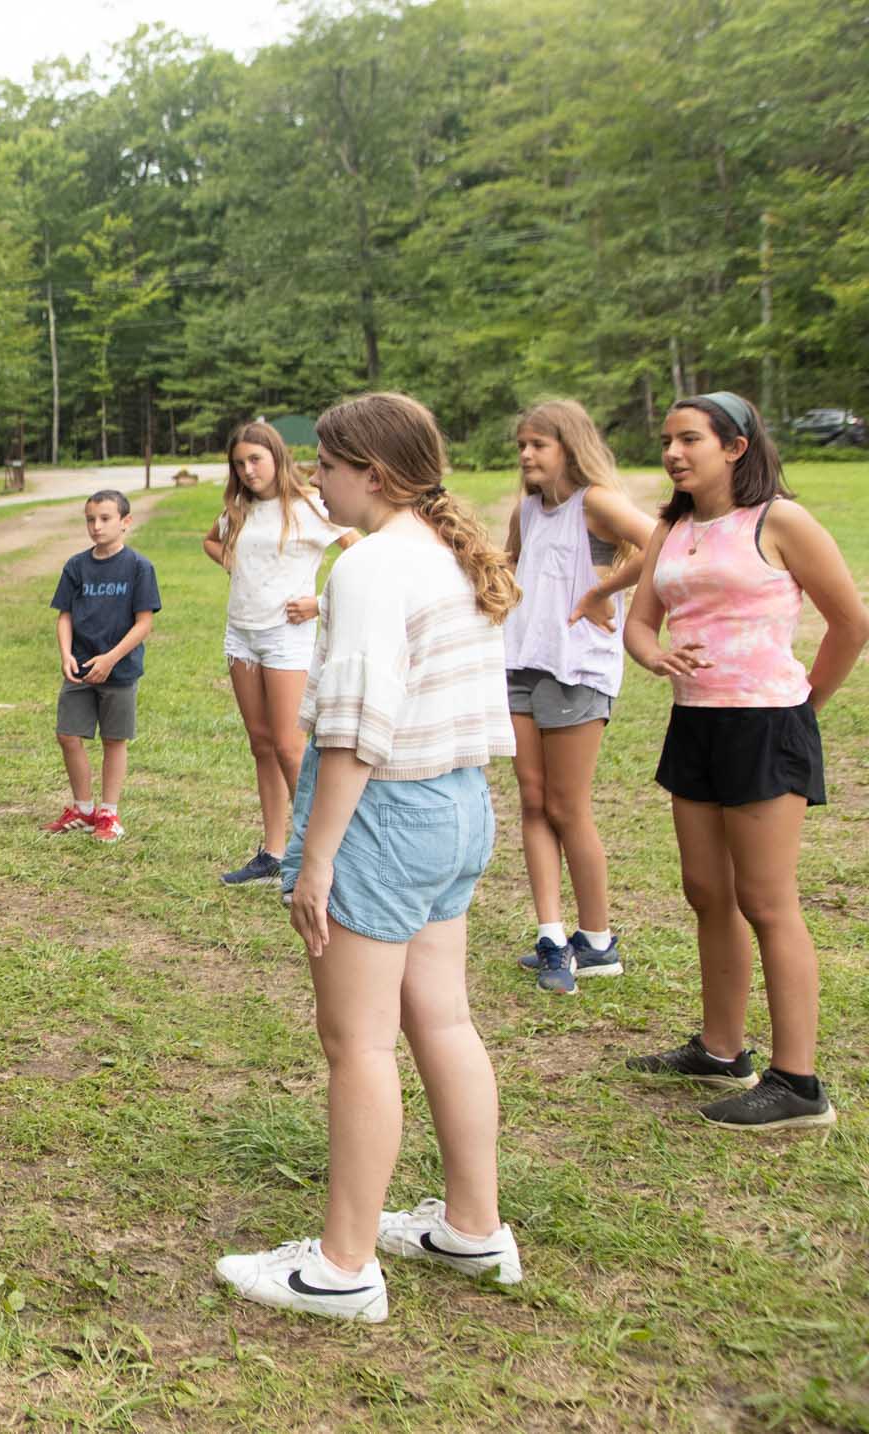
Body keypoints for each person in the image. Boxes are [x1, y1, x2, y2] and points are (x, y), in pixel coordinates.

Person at [215, 392, 522, 1323]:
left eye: (330, 465)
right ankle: (474, 1227)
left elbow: (351, 731)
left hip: (388, 815)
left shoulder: (371, 567)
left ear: (374, 475)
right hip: (460, 806)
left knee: (357, 1043)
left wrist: (314, 860)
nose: (317, 478)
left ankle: (341, 1267)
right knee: (444, 1020)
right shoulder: (440, 552)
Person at [618, 392, 864, 1130]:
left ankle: (798, 1084)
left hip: (767, 726)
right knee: (706, 891)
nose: (672, 452)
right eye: (667, 440)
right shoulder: (673, 525)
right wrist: (655, 654)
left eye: (689, 439)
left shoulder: (779, 521)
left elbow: (851, 622)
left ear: (736, 446)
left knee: (767, 900)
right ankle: (723, 1049)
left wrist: (802, 709)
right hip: (695, 724)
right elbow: (638, 623)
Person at [500, 401, 655, 994]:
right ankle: (550, 934)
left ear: (569, 445)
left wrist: (603, 592)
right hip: (519, 664)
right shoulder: (528, 511)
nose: (526, 455)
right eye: (522, 444)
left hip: (575, 669)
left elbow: (654, 541)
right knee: (533, 800)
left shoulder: (593, 503)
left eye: (538, 444)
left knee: (568, 807)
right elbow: (511, 563)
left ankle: (597, 942)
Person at [203, 423, 356, 883]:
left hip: (285, 637)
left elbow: (358, 554)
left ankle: (315, 856)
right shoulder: (240, 508)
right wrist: (237, 564)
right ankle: (273, 852)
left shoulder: (309, 505)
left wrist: (320, 603)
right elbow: (211, 540)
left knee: (291, 747)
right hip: (242, 635)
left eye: (255, 460)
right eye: (239, 463)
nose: (248, 471)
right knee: (262, 744)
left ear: (277, 456)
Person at [43, 491, 159, 843]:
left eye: (105, 519)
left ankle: (108, 813)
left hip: (118, 671)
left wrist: (112, 658)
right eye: (90, 519)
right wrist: (66, 654)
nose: (96, 526)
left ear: (126, 522)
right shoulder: (76, 566)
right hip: (80, 666)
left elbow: (144, 623)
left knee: (113, 740)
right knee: (67, 734)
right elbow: (64, 615)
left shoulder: (139, 567)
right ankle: (83, 808)